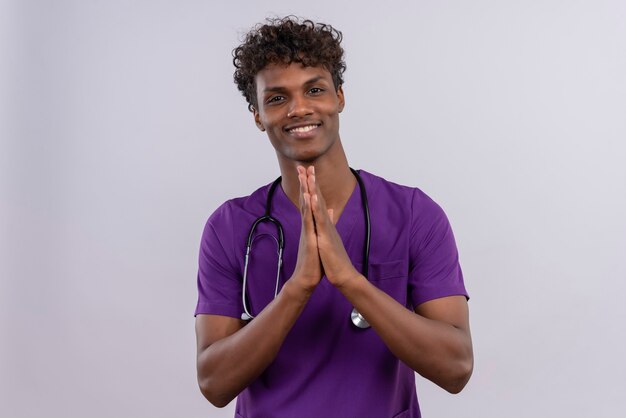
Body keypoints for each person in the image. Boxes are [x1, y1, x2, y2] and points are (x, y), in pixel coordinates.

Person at [194, 16, 473, 418]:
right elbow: (214, 384)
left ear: (339, 97)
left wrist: (349, 280)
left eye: (315, 89)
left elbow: (456, 368)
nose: (299, 108)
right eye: (276, 98)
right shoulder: (230, 227)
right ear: (257, 116)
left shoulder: (414, 215)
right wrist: (298, 287)